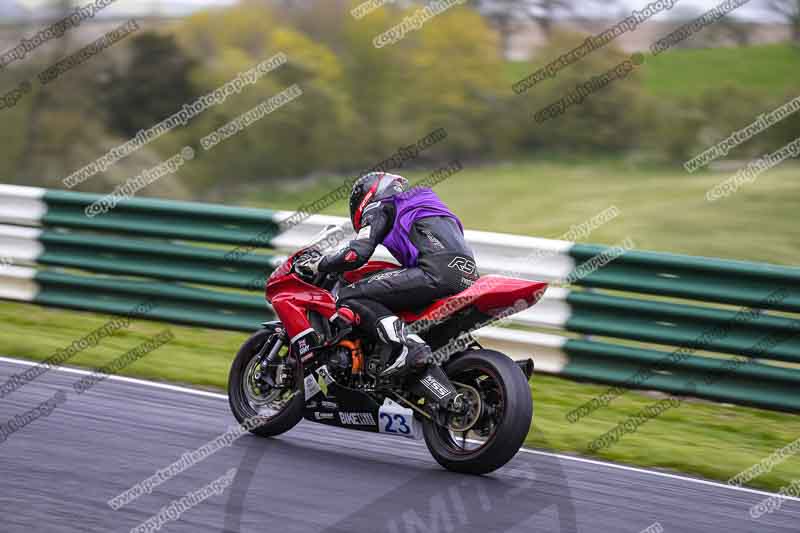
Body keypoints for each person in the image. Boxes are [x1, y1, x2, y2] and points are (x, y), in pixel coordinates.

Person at [295, 171, 479, 378]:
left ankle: (408, 346)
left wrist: (319, 263)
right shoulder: (423, 204)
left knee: (350, 294)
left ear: (366, 196)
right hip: (467, 276)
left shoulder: (379, 206)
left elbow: (356, 254)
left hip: (436, 272)